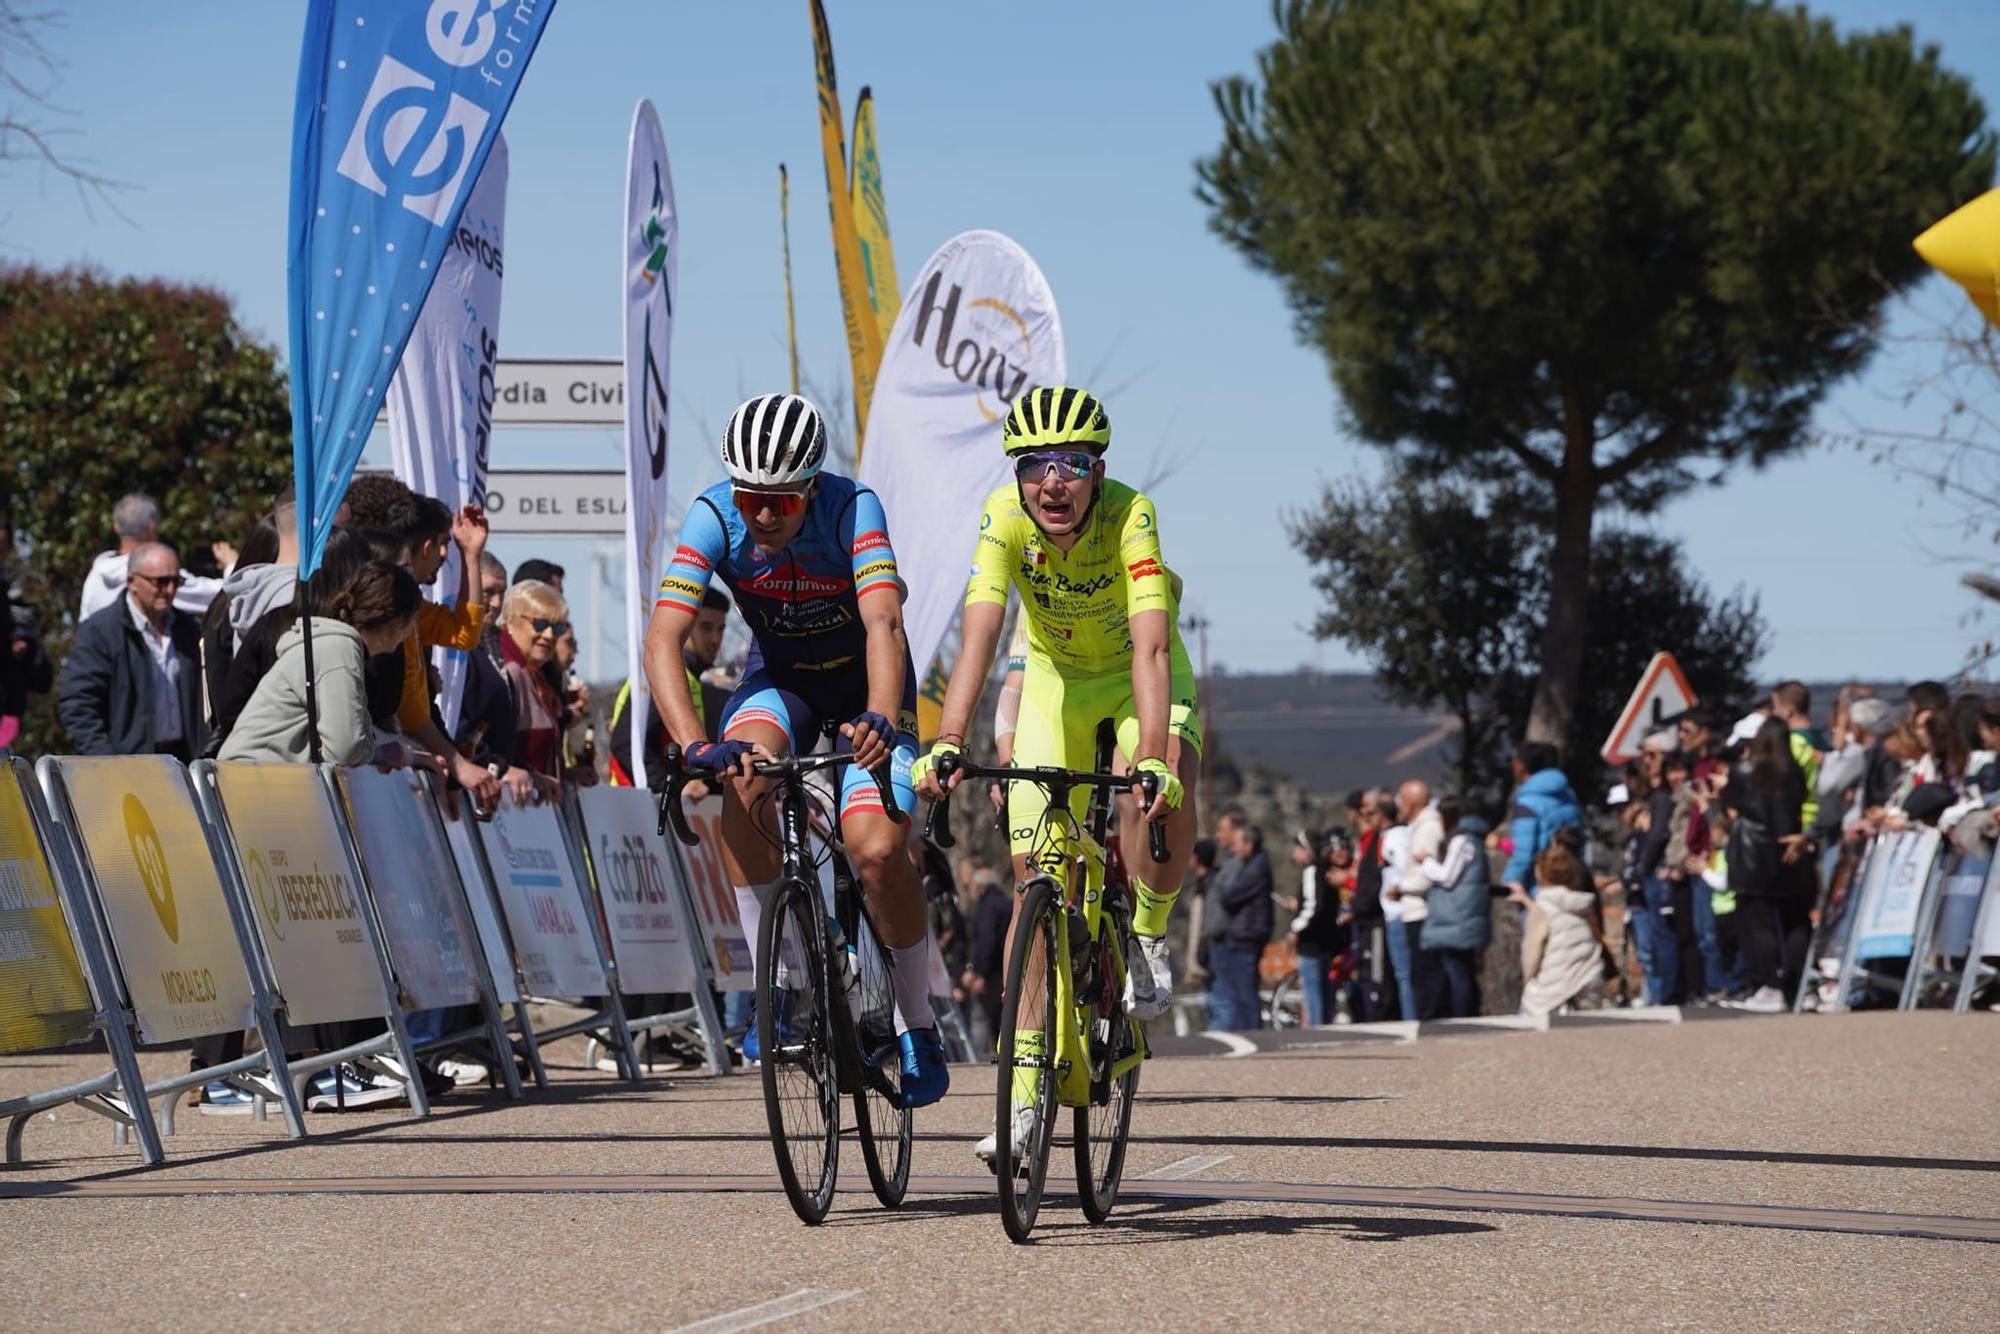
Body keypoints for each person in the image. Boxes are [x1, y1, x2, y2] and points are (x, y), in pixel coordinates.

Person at [910, 386, 1202, 1158]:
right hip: (1057, 684)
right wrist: (946, 739)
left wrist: (1151, 756)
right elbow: (976, 635)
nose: (1053, 482)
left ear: (1098, 470)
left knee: (1157, 789)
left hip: (1140, 676)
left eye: (1072, 463)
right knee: (1034, 880)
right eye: (1035, 464)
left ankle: (1145, 932)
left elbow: (1151, 647)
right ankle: (1024, 1094)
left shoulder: (1131, 514)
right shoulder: (1003, 518)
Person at [642, 392, 946, 1107]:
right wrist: (693, 745)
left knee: (875, 851)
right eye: (753, 500)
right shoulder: (714, 514)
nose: (766, 516)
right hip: (781, 684)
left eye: (782, 500)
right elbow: (663, 638)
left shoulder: (852, 507)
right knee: (739, 786)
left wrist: (878, 713)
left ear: (812, 486)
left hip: (868, 688)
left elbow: (883, 624)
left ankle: (916, 1022)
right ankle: (772, 988)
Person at [220, 562, 420, 766]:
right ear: (397, 623)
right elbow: (346, 749)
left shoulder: (336, 645)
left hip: (256, 775)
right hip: (252, 779)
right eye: (413, 621)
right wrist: (383, 755)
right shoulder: (340, 647)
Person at [57, 542, 206, 760]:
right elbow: (77, 704)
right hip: (129, 765)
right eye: (161, 582)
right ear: (132, 581)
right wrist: (107, 761)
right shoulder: (101, 632)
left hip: (184, 762)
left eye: (176, 581)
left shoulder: (188, 630)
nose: (170, 590)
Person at [1721, 716, 1810, 1012]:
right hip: (1789, 851)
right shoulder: (1795, 772)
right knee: (1793, 920)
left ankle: (1770, 984)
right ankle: (1797, 984)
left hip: (1752, 856)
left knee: (1758, 923)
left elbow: (1730, 808)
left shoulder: (1744, 771)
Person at [610, 586, 730, 785]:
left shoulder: (690, 676)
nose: (715, 640)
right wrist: (672, 787)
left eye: (721, 629)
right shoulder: (663, 674)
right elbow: (625, 743)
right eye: (706, 628)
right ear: (683, 626)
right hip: (637, 806)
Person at [77, 492, 228, 621]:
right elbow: (216, 596)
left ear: (116, 527)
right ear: (152, 528)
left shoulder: (97, 572)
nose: (168, 588)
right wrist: (232, 565)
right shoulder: (155, 575)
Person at [498, 580, 593, 784]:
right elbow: (495, 753)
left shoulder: (535, 677)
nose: (549, 636)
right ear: (511, 622)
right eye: (540, 625)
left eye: (557, 628)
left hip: (536, 808)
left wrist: (566, 776)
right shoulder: (507, 673)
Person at [1519, 828, 1608, 1018]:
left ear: (1541, 875)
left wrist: (1529, 979)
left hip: (1554, 980)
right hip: (1589, 974)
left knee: (1530, 1014)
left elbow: (1531, 950)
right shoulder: (1582, 904)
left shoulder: (1542, 908)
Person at [1418, 796, 1492, 1018]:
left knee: (1457, 970)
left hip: (1458, 917)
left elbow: (1447, 876)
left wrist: (1426, 862)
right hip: (1463, 916)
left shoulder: (1463, 841)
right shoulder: (1473, 839)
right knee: (1462, 969)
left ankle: (1462, 1015)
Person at [1206, 808, 1272, 1031]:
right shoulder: (1247, 864)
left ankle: (1253, 1033)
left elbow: (1232, 896)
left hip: (1246, 935)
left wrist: (1222, 892)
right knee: (1238, 991)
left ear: (1249, 843)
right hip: (1240, 934)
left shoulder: (1256, 866)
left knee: (1244, 992)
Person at [1501, 741, 1582, 897]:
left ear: (1521, 766)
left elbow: (1524, 852)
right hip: (1571, 879)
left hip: (1539, 886)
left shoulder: (1528, 801)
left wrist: (1510, 881)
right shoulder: (1568, 795)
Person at [1392, 778, 1443, 1019]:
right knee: (1418, 972)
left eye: (1401, 800)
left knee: (1425, 972)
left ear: (1412, 802)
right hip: (1413, 909)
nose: (1397, 806)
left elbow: (1425, 874)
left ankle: (1430, 1022)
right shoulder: (1419, 827)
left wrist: (1400, 887)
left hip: (1422, 909)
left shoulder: (1428, 829)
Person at [1286, 829, 1341, 1026]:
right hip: (1326, 940)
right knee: (1324, 988)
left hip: (1311, 942)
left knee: (1312, 990)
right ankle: (1326, 1025)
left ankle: (1317, 1030)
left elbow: (1313, 907)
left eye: (1297, 849)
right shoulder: (1328, 871)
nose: (1294, 854)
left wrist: (1295, 928)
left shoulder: (1312, 871)